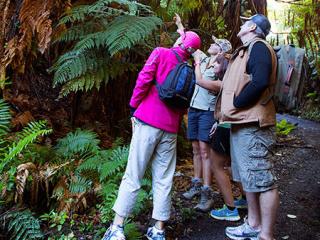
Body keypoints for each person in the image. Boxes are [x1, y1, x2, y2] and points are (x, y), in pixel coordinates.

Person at [101, 19, 201, 240]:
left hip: (147, 121)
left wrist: (134, 106)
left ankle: (117, 228)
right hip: (171, 128)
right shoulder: (191, 69)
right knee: (164, 179)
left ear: (180, 41)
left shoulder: (161, 53)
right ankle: (158, 230)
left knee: (133, 174)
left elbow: (143, 79)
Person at [215, 14, 279, 240]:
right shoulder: (247, 49)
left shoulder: (259, 47)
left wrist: (237, 103)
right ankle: (253, 224)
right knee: (249, 179)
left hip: (254, 124)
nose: (240, 25)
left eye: (244, 22)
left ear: (252, 27)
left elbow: (260, 80)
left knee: (263, 179)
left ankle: (266, 235)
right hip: (242, 123)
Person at [175, 14, 232, 212]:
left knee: (205, 151)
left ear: (222, 51)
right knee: (195, 150)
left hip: (207, 113)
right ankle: (196, 184)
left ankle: (207, 192)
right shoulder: (204, 59)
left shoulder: (222, 71)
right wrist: (181, 27)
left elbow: (202, 82)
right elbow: (188, 43)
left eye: (216, 44)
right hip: (194, 109)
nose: (211, 44)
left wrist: (198, 64)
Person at [195, 54, 248, 221]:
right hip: (229, 126)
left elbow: (200, 82)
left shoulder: (224, 83)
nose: (213, 66)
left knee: (218, 166)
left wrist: (197, 61)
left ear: (224, 66)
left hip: (226, 127)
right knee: (232, 167)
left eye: (216, 63)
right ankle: (245, 200)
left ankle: (230, 209)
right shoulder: (236, 82)